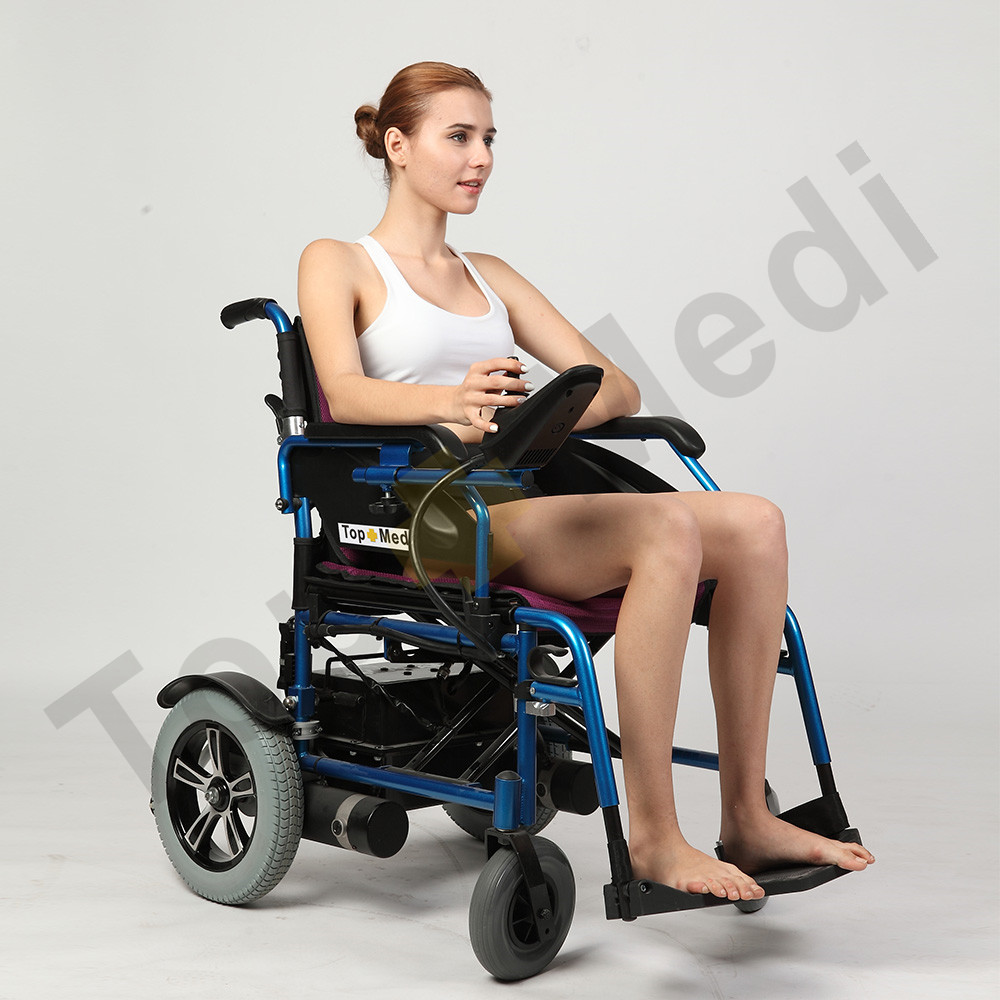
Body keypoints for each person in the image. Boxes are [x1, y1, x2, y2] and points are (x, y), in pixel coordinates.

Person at [297, 61, 874, 902]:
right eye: (458, 136)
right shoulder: (339, 260)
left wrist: (539, 416)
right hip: (421, 510)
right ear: (397, 144)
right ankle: (654, 837)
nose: (481, 157)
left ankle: (747, 814)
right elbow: (343, 394)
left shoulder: (490, 275)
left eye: (488, 138)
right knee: (667, 528)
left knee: (757, 523)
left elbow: (617, 387)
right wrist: (452, 405)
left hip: (518, 497)